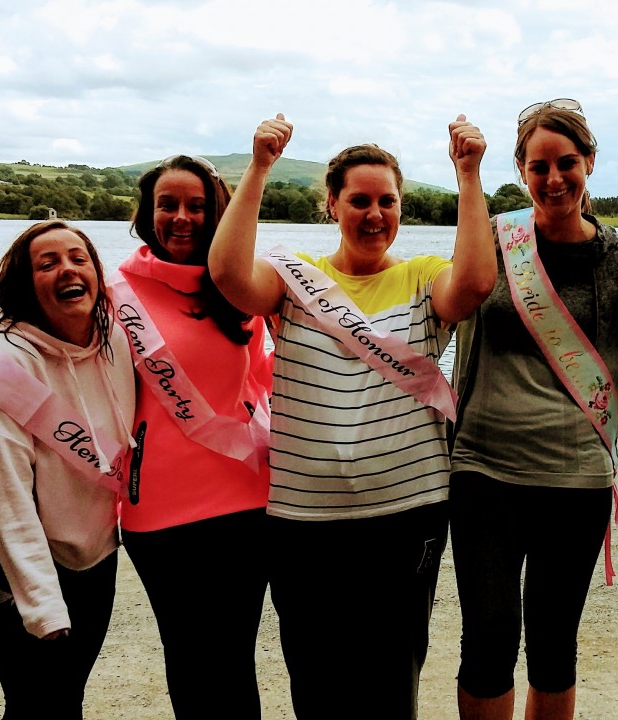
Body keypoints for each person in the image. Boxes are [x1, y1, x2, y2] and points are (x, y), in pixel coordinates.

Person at [207, 113, 495, 719]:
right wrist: (259, 167)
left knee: (391, 678)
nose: (374, 214)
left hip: (405, 516)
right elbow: (230, 274)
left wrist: (469, 175)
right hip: (303, 521)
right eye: (359, 200)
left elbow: (473, 284)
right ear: (331, 205)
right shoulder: (295, 280)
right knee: (316, 679)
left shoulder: (422, 280)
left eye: (387, 201)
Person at [447, 98, 618, 720]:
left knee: (552, 644)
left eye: (567, 162)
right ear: (520, 169)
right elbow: (443, 305)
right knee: (486, 639)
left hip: (576, 479)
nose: (554, 179)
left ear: (589, 162)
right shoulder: (491, 239)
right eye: (538, 166)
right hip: (483, 471)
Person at [113, 155, 274, 718]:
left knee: (234, 658)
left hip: (246, 504)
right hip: (157, 511)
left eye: (197, 206)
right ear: (147, 212)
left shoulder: (239, 286)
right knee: (188, 656)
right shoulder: (114, 292)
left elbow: (261, 382)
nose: (181, 217)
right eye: (168, 205)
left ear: (216, 214)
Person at [0, 220, 134, 718]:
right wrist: (41, 604)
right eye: (47, 263)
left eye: (78, 259)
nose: (67, 270)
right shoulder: (5, 364)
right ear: (24, 283)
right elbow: (4, 497)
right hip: (14, 569)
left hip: (94, 556)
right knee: (36, 702)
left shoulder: (115, 342)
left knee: (66, 698)